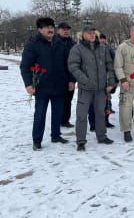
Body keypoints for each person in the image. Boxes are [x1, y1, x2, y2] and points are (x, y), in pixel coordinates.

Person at [20, 17, 70, 150]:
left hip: (59, 85)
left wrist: (70, 79)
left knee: (58, 113)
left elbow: (67, 63)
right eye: (47, 27)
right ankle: (37, 140)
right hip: (42, 86)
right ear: (39, 29)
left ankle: (56, 135)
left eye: (52, 27)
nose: (50, 29)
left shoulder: (59, 43)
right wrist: (28, 84)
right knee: (40, 114)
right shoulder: (33, 44)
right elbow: (25, 66)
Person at [68, 25, 116, 151]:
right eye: (89, 33)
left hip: (100, 89)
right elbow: (73, 66)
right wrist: (85, 80)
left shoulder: (102, 48)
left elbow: (109, 66)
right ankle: (81, 141)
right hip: (86, 89)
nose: (92, 35)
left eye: (93, 33)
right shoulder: (77, 49)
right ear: (82, 34)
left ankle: (102, 136)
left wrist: (111, 82)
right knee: (82, 115)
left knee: (100, 113)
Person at [57, 22, 77, 128]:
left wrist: (72, 80)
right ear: (58, 30)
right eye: (63, 29)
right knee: (57, 101)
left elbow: (77, 64)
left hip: (69, 77)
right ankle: (57, 120)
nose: (66, 31)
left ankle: (65, 120)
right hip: (57, 78)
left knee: (68, 100)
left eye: (68, 29)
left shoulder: (73, 44)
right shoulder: (53, 42)